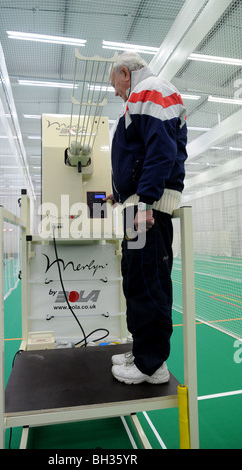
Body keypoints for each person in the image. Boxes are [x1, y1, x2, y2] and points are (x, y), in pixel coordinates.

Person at [106, 51, 188, 385]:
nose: (115, 92)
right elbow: (142, 153)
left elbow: (161, 150)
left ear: (125, 73)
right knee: (136, 279)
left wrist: (145, 202)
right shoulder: (140, 97)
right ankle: (143, 350)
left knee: (149, 281)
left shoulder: (152, 89)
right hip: (137, 206)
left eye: (115, 84)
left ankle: (152, 365)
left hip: (146, 210)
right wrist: (120, 195)